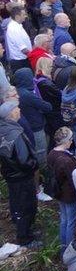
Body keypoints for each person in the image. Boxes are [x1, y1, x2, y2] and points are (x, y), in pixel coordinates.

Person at [0, 100, 41, 249]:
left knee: (17, 204)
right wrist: (35, 165)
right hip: (22, 177)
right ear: (10, 114)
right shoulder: (16, 134)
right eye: (16, 108)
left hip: (11, 176)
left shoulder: (3, 130)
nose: (19, 110)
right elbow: (24, 160)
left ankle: (25, 230)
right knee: (27, 207)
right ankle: (25, 239)